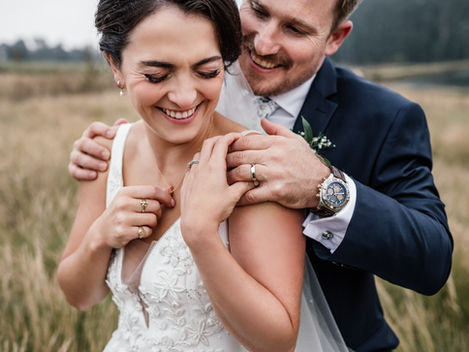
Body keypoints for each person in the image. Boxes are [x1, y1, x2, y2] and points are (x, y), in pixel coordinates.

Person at [69, 0, 453, 351]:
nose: (265, 44)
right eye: (258, 10)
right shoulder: (194, 60)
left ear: (335, 37)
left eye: (296, 30)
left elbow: (432, 258)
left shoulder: (385, 117)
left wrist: (326, 189)